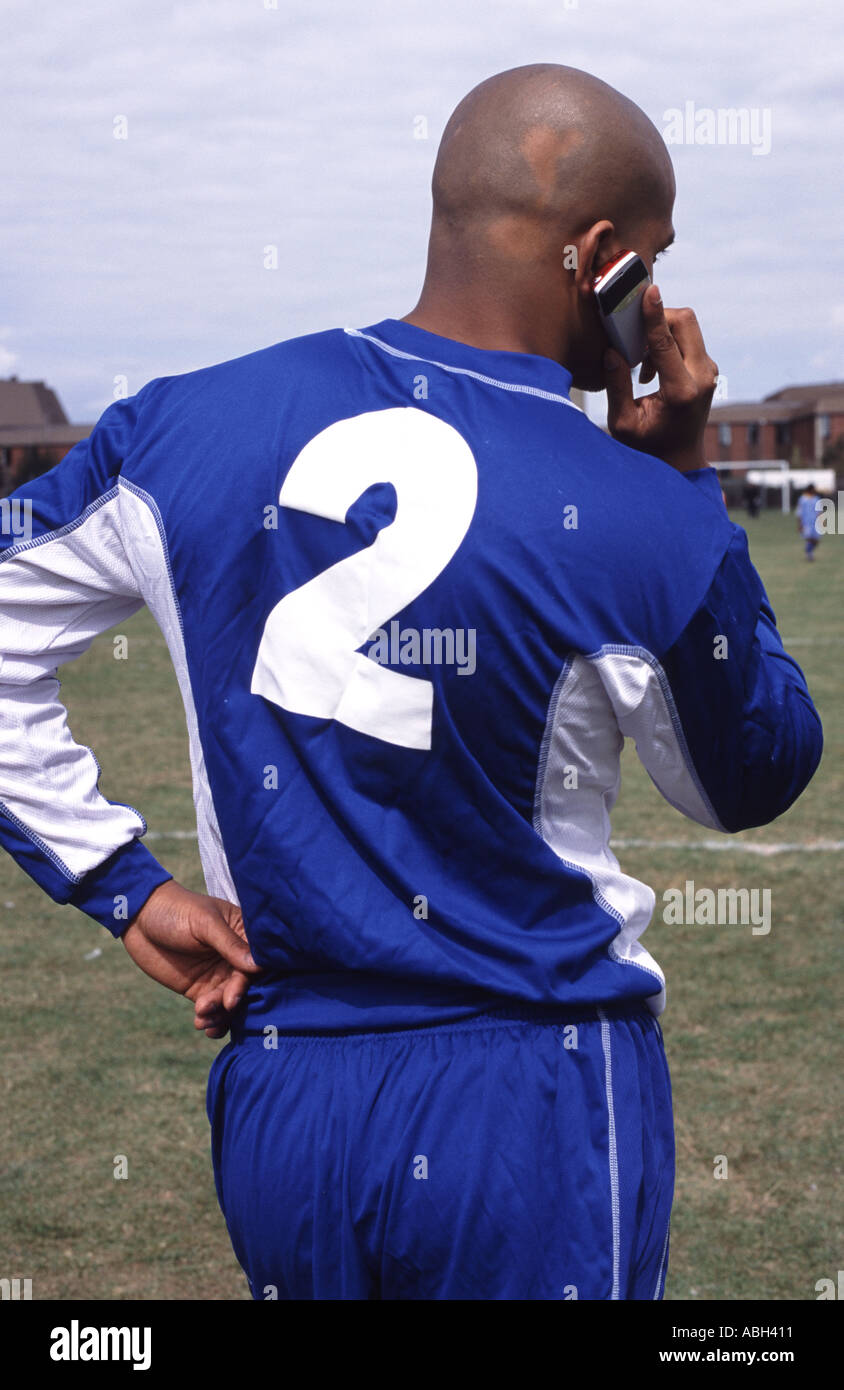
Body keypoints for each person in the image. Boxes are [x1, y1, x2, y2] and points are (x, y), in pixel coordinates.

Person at [0, 63, 822, 1300]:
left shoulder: (186, 423)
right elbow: (751, 770)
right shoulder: (631, 500)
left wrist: (126, 887)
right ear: (597, 255)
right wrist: (683, 476)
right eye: (651, 260)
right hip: (535, 1098)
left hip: (291, 1093)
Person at [796, 482, 822, 560]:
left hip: (815, 522)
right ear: (810, 489)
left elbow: (819, 511)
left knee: (816, 540)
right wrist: (800, 524)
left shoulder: (816, 499)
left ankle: (808, 549)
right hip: (806, 522)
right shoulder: (802, 499)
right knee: (809, 538)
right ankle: (809, 554)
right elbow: (799, 512)